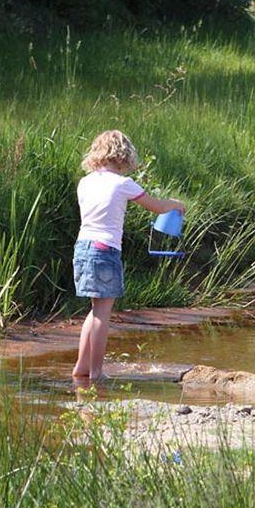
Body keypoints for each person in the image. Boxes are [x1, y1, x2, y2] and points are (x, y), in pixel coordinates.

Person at [72, 130, 185, 382]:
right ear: (124, 155)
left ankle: (81, 367)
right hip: (105, 250)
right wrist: (175, 204)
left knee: (94, 309)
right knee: (103, 313)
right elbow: (155, 206)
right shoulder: (123, 184)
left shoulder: (85, 182)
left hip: (82, 248)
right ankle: (97, 373)